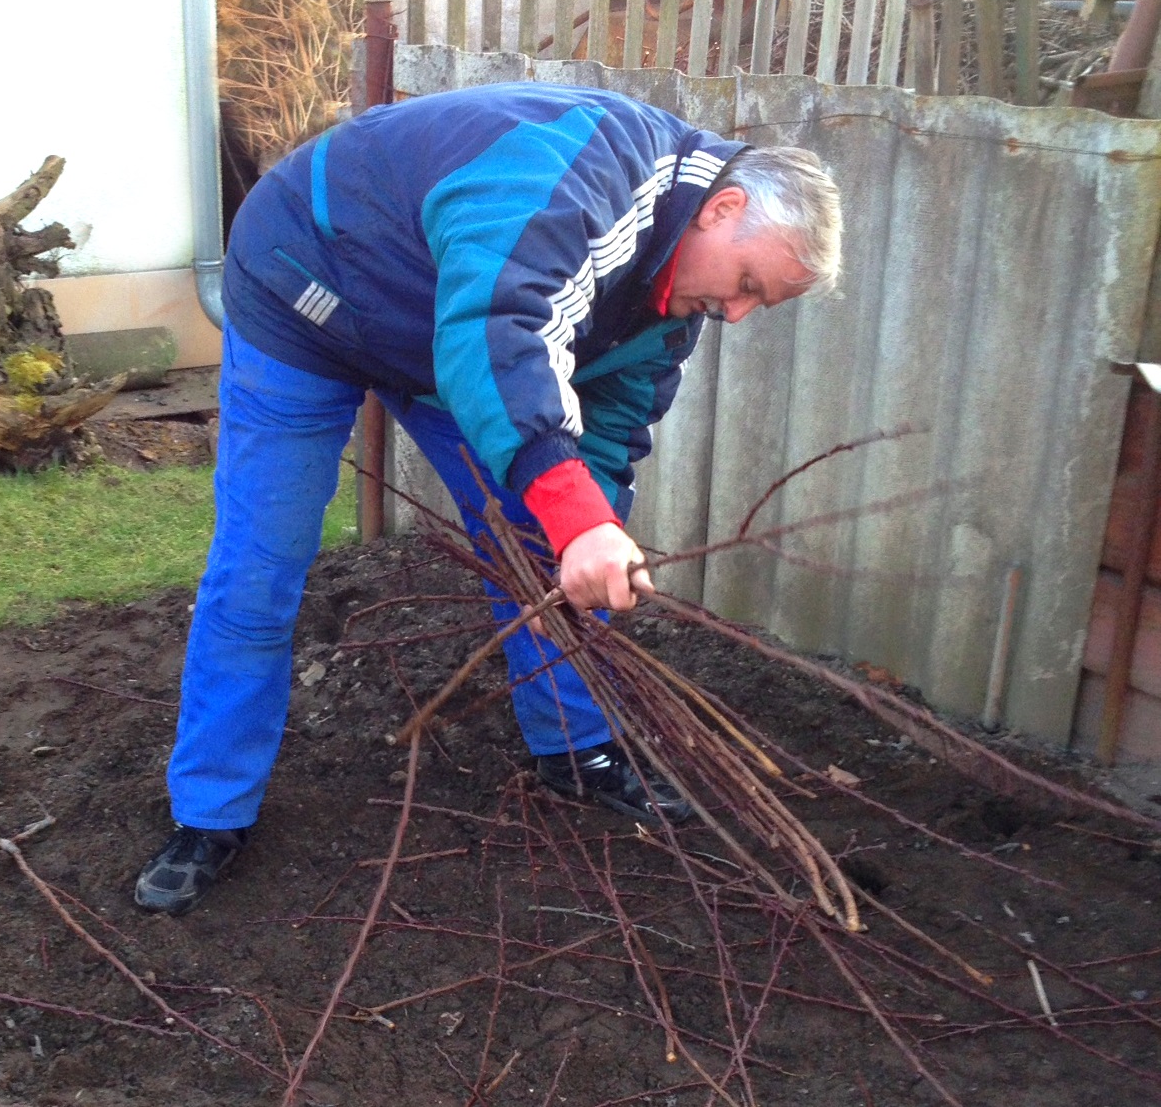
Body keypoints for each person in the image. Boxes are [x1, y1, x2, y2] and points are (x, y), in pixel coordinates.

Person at [134, 82, 842, 915]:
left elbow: (605, 430)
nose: (738, 313)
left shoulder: (674, 302)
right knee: (260, 564)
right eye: (749, 283)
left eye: (762, 303)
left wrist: (588, 529)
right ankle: (210, 815)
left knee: (553, 548)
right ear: (722, 209)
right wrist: (574, 518)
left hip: (442, 335)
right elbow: (499, 330)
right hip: (309, 289)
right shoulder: (578, 177)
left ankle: (578, 750)